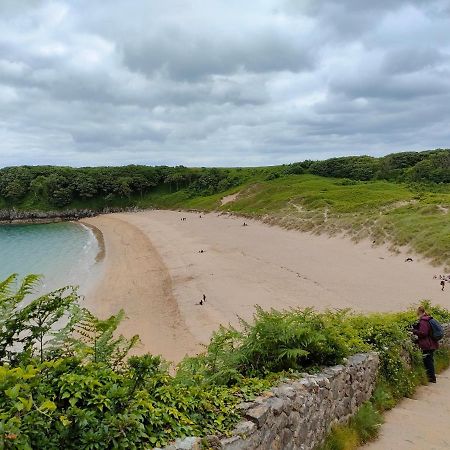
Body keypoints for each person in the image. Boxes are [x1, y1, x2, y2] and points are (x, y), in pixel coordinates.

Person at [412, 306, 438, 383]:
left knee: (428, 361)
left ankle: (431, 378)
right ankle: (431, 377)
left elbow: (424, 333)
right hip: (431, 343)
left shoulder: (423, 321)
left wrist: (414, 331)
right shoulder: (428, 318)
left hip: (427, 345)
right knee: (429, 360)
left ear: (419, 312)